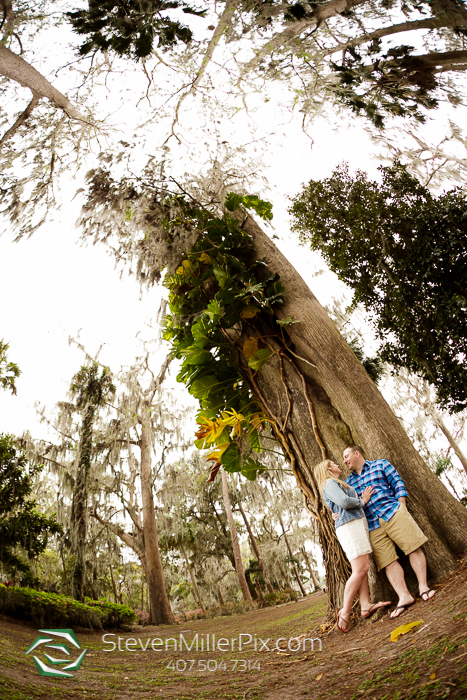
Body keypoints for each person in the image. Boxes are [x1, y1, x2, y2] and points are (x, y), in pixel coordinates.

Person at [343, 445, 436, 619]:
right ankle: (404, 596)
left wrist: (401, 506)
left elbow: (397, 482)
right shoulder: (348, 484)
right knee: (388, 562)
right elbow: (347, 504)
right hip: (371, 526)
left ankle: (423, 587)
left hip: (393, 512)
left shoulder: (381, 465)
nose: (344, 461)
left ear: (357, 454)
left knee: (413, 547)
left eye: (346, 456)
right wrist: (336, 514)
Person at [315, 459, 391, 633]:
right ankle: (344, 612)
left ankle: (365, 605)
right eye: (334, 463)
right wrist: (362, 500)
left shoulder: (335, 483)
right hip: (350, 526)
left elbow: (339, 505)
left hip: (355, 523)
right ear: (328, 468)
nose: (338, 464)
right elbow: (344, 502)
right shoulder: (329, 482)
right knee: (360, 569)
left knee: (361, 569)